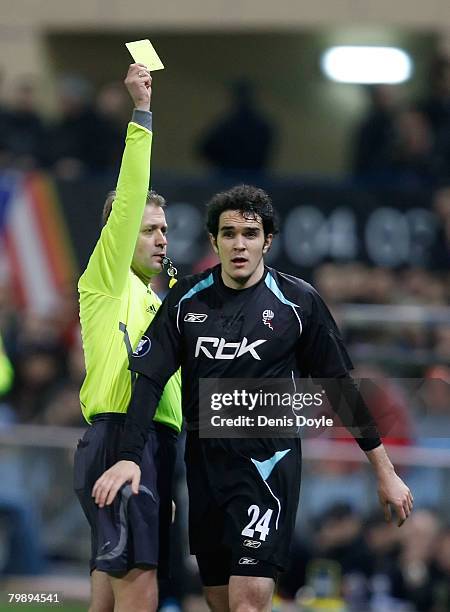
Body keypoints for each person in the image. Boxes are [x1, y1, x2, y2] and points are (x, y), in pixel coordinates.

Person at [93, 184, 413, 612]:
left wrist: (385, 471)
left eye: (250, 233)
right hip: (205, 472)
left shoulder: (298, 302)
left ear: (268, 240)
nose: (239, 244)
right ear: (214, 241)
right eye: (228, 234)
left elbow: (341, 390)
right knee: (219, 601)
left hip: (268, 468)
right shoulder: (186, 300)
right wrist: (131, 455)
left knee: (248, 602)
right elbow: (148, 381)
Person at [75, 63, 182, 612]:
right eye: (148, 229)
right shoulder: (106, 279)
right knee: (140, 593)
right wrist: (141, 113)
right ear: (118, 234)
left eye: (165, 229)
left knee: (108, 601)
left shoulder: (154, 302)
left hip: (150, 446)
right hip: (122, 442)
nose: (162, 238)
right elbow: (131, 191)